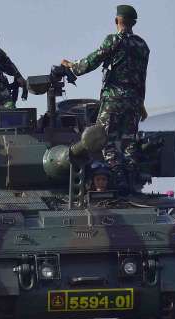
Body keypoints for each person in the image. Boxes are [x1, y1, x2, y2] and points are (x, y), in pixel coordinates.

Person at [61, 5, 149, 194]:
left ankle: (119, 181)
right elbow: (142, 76)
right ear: (133, 23)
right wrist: (140, 103)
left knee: (103, 139)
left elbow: (92, 61)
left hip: (114, 99)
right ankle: (131, 181)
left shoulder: (114, 40)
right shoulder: (143, 46)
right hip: (133, 101)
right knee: (129, 142)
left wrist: (72, 67)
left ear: (117, 20)